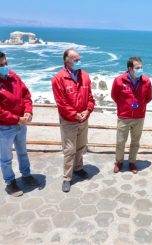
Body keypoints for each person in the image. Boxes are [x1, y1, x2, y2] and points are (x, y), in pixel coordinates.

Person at [52, 48, 95, 192]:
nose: (79, 61)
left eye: (79, 59)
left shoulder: (85, 76)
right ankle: (67, 178)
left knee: (81, 146)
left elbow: (90, 98)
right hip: (69, 121)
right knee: (69, 150)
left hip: (83, 119)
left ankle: (78, 168)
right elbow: (61, 103)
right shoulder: (58, 79)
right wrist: (75, 114)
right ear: (67, 60)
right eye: (76, 59)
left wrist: (88, 110)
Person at [0, 51, 39, 197]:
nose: (5, 66)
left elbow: (26, 95)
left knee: (22, 152)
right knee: (6, 158)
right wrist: (17, 119)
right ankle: (10, 183)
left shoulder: (13, 76)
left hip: (21, 124)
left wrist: (28, 111)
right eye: (1, 65)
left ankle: (26, 175)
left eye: (5, 63)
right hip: (4, 128)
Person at [111, 57, 152, 174]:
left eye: (141, 67)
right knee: (120, 142)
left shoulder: (146, 81)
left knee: (135, 141)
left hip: (139, 117)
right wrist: (125, 106)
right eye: (137, 68)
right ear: (130, 69)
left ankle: (132, 162)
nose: (141, 69)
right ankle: (119, 162)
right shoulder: (119, 80)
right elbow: (114, 96)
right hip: (124, 117)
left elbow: (149, 98)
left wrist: (140, 106)